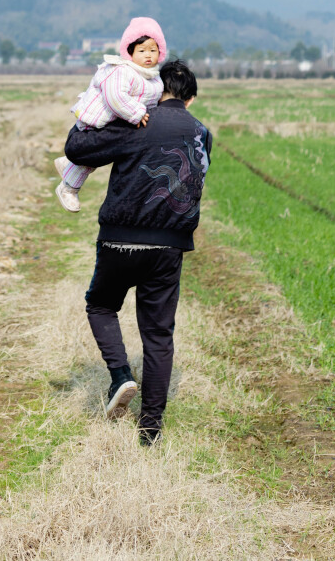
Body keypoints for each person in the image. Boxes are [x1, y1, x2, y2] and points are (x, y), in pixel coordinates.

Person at [62, 56, 212, 445]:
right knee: (159, 334)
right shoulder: (202, 133)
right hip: (169, 248)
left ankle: (120, 376)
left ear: (154, 91)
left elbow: (77, 148)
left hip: (119, 239)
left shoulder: (138, 120)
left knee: (100, 305)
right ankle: (150, 429)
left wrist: (97, 108)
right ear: (191, 99)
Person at [54, 17, 167, 212]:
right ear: (130, 52)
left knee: (100, 154)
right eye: (141, 50)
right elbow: (115, 97)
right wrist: (137, 113)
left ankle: (69, 164)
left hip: (117, 125)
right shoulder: (121, 70)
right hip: (96, 122)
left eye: (153, 50)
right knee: (93, 157)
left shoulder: (154, 78)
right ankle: (68, 188)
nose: (148, 55)